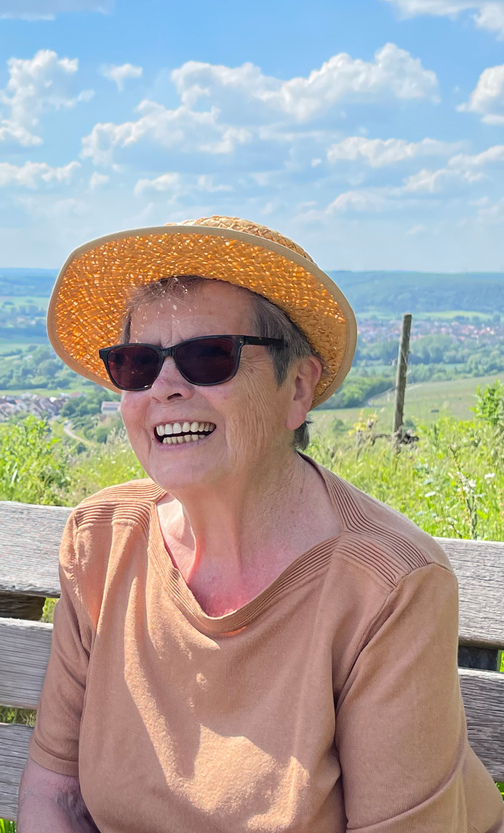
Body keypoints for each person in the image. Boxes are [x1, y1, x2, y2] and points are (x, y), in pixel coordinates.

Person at [18, 216, 504, 833]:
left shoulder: (386, 587)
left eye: (208, 356)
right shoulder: (101, 544)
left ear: (297, 388)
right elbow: (55, 795)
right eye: (138, 363)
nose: (165, 386)